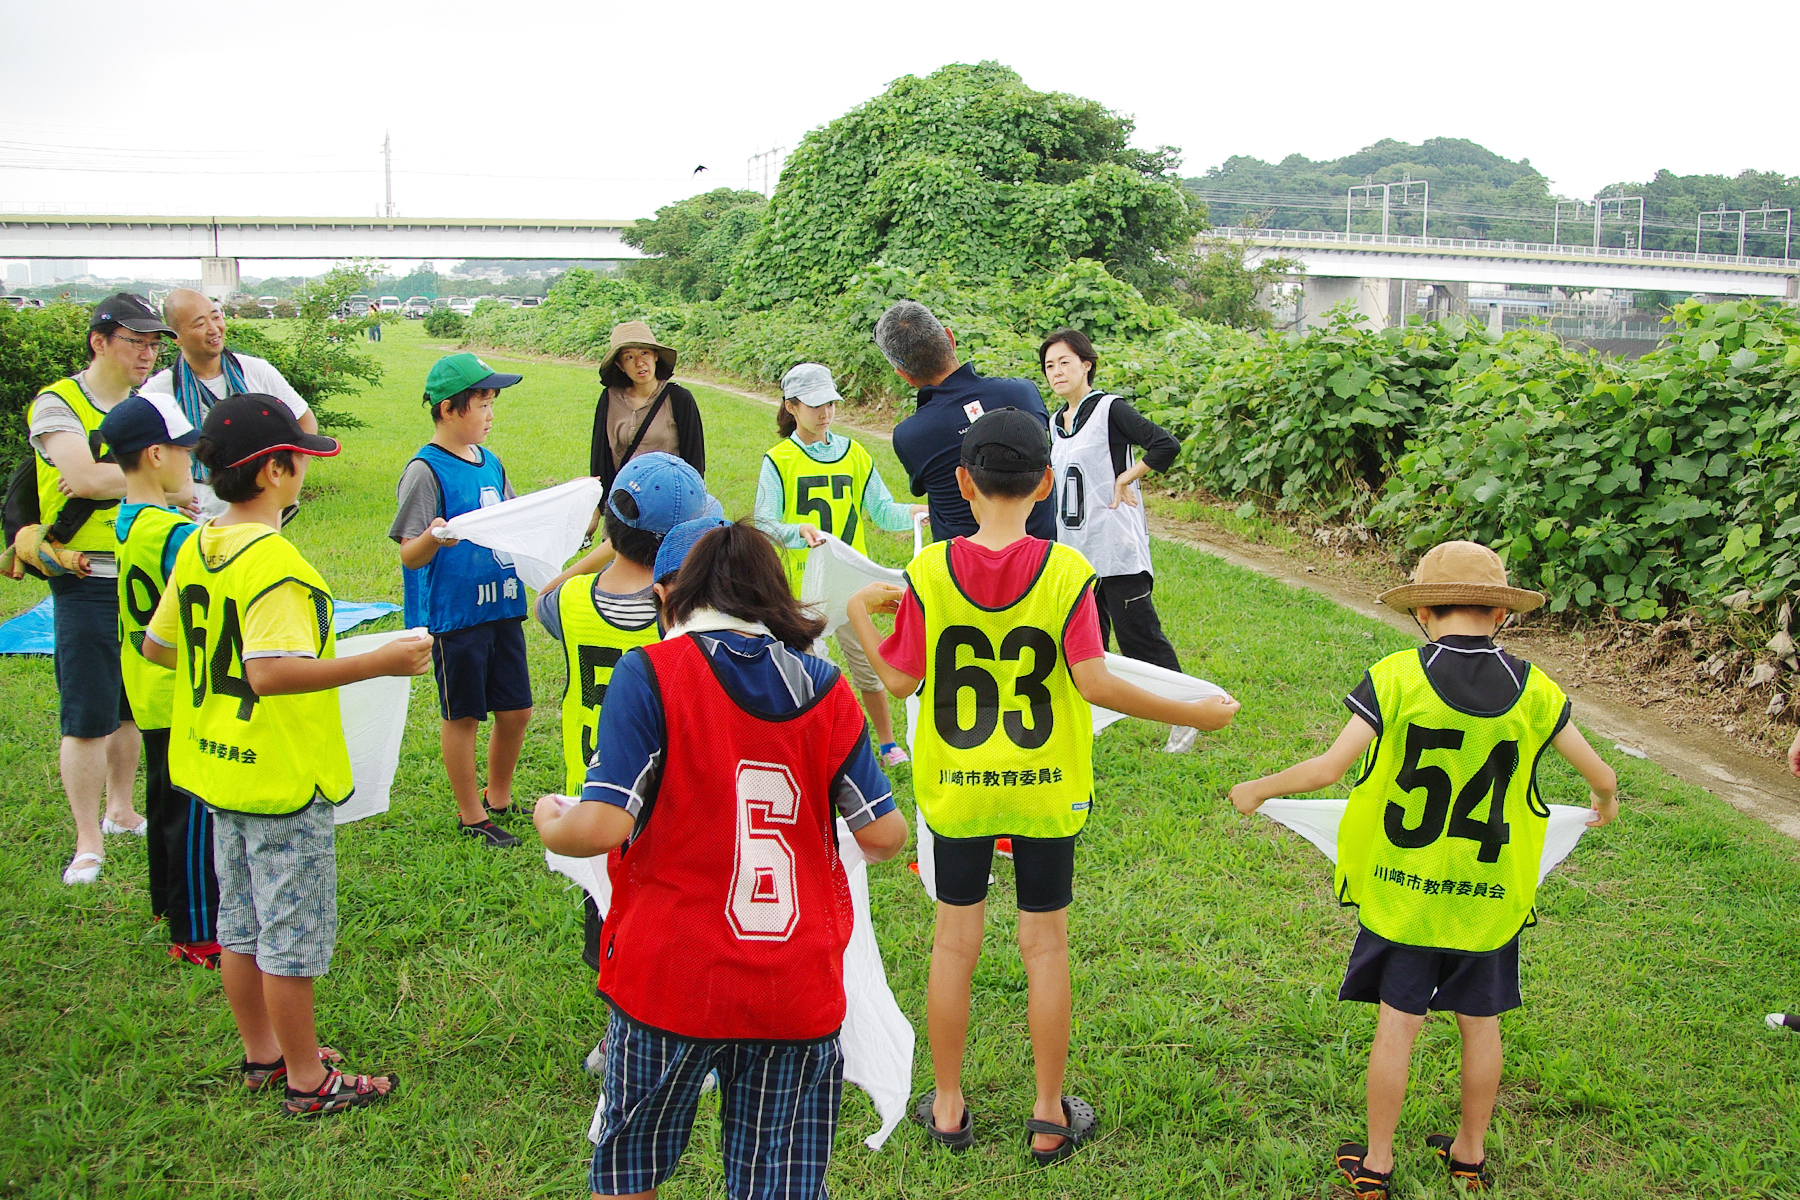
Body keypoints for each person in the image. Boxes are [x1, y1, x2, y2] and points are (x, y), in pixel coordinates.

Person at [844, 410, 1240, 1163]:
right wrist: (1195, 711)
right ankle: (1049, 1112)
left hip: (958, 790)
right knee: (1045, 946)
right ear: (1046, 483)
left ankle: (951, 1105)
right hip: (1046, 789)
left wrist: (863, 609)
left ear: (961, 482)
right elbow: (1093, 682)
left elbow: (897, 678)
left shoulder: (927, 572)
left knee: (953, 945)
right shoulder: (1068, 573)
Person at [1227, 540, 1620, 1198]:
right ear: (1500, 616)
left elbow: (1329, 769)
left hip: (1404, 896)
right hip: (1487, 900)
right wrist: (1603, 803)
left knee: (1397, 1025)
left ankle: (1377, 1163)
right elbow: (1601, 775)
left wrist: (1259, 788)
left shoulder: (1395, 678)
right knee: (1481, 1024)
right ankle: (1469, 1155)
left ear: (1423, 615)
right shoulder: (1537, 692)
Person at [534, 520, 908, 1200]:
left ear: (672, 597)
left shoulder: (650, 672)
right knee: (780, 1183)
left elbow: (604, 824)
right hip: (794, 987)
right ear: (774, 599)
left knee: (629, 1171)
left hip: (668, 978)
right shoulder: (825, 688)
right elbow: (884, 836)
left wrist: (550, 823)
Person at [140, 394, 430, 1116]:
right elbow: (271, 671)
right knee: (289, 936)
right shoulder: (274, 562)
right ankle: (308, 1080)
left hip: (218, 769)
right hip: (281, 777)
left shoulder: (201, 544)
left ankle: (265, 1053)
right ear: (273, 471)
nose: (303, 471)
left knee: (240, 925)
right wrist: (382, 662)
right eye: (299, 460)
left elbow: (158, 645)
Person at [533, 450, 714, 1011]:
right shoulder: (682, 614)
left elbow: (545, 595)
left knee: (608, 914)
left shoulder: (566, 604)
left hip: (591, 792)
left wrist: (599, 553)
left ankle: (616, 1030)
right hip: (665, 794)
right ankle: (659, 1022)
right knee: (670, 916)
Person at [25, 293, 185, 885]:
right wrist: (159, 482)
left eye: (152, 343)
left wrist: (151, 482)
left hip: (144, 573)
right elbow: (84, 477)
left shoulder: (151, 403)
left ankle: (121, 811)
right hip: (86, 574)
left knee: (133, 705)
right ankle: (86, 840)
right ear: (100, 342)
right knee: (87, 710)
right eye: (135, 341)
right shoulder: (58, 403)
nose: (147, 352)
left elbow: (147, 475)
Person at [390, 353, 531, 848]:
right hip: (457, 616)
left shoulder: (490, 461)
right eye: (483, 402)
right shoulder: (425, 471)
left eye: (493, 402)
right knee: (464, 716)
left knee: (516, 710)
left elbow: (512, 519)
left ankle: (500, 796)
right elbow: (410, 555)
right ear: (449, 409)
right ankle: (472, 817)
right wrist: (435, 537)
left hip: (503, 605)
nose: (491, 413)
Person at [756, 362, 926, 766]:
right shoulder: (778, 460)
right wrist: (795, 531)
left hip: (850, 582)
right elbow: (763, 523)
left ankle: (886, 744)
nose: (826, 413)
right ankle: (809, 747)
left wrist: (917, 513)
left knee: (868, 665)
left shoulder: (855, 454)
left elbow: (882, 512)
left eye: (830, 403)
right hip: (803, 585)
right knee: (804, 669)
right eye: (815, 405)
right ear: (791, 406)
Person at [99, 393, 218, 966]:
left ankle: (165, 903)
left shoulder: (127, 521)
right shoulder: (174, 535)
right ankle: (196, 931)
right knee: (194, 810)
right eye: (182, 449)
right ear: (153, 456)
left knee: (164, 799)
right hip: (180, 690)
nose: (188, 459)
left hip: (145, 688)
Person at [1040, 328, 1195, 754]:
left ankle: (1187, 713)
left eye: (1064, 362)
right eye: (1049, 366)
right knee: (1088, 642)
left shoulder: (1110, 409)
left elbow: (1166, 445)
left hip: (1117, 547)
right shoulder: (1055, 422)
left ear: (1086, 364)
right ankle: (1089, 720)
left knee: (1140, 638)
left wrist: (1127, 476)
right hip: (1076, 551)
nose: (1057, 372)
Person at [879, 300, 1054, 541]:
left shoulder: (911, 436)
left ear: (904, 375)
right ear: (950, 339)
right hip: (1041, 565)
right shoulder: (1023, 393)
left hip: (963, 572)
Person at [141, 289, 317, 501]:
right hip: (192, 519)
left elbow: (305, 422)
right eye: (199, 324)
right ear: (175, 336)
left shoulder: (257, 371)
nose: (213, 329)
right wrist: (165, 498)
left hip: (257, 507)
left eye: (216, 317)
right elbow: (138, 462)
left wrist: (290, 480)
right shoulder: (157, 391)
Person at [588, 321, 706, 492]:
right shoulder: (609, 399)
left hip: (669, 498)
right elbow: (600, 458)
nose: (640, 363)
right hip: (624, 501)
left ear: (655, 356)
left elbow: (695, 460)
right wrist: (599, 506)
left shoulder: (680, 399)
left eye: (644, 353)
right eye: (629, 357)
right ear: (619, 365)